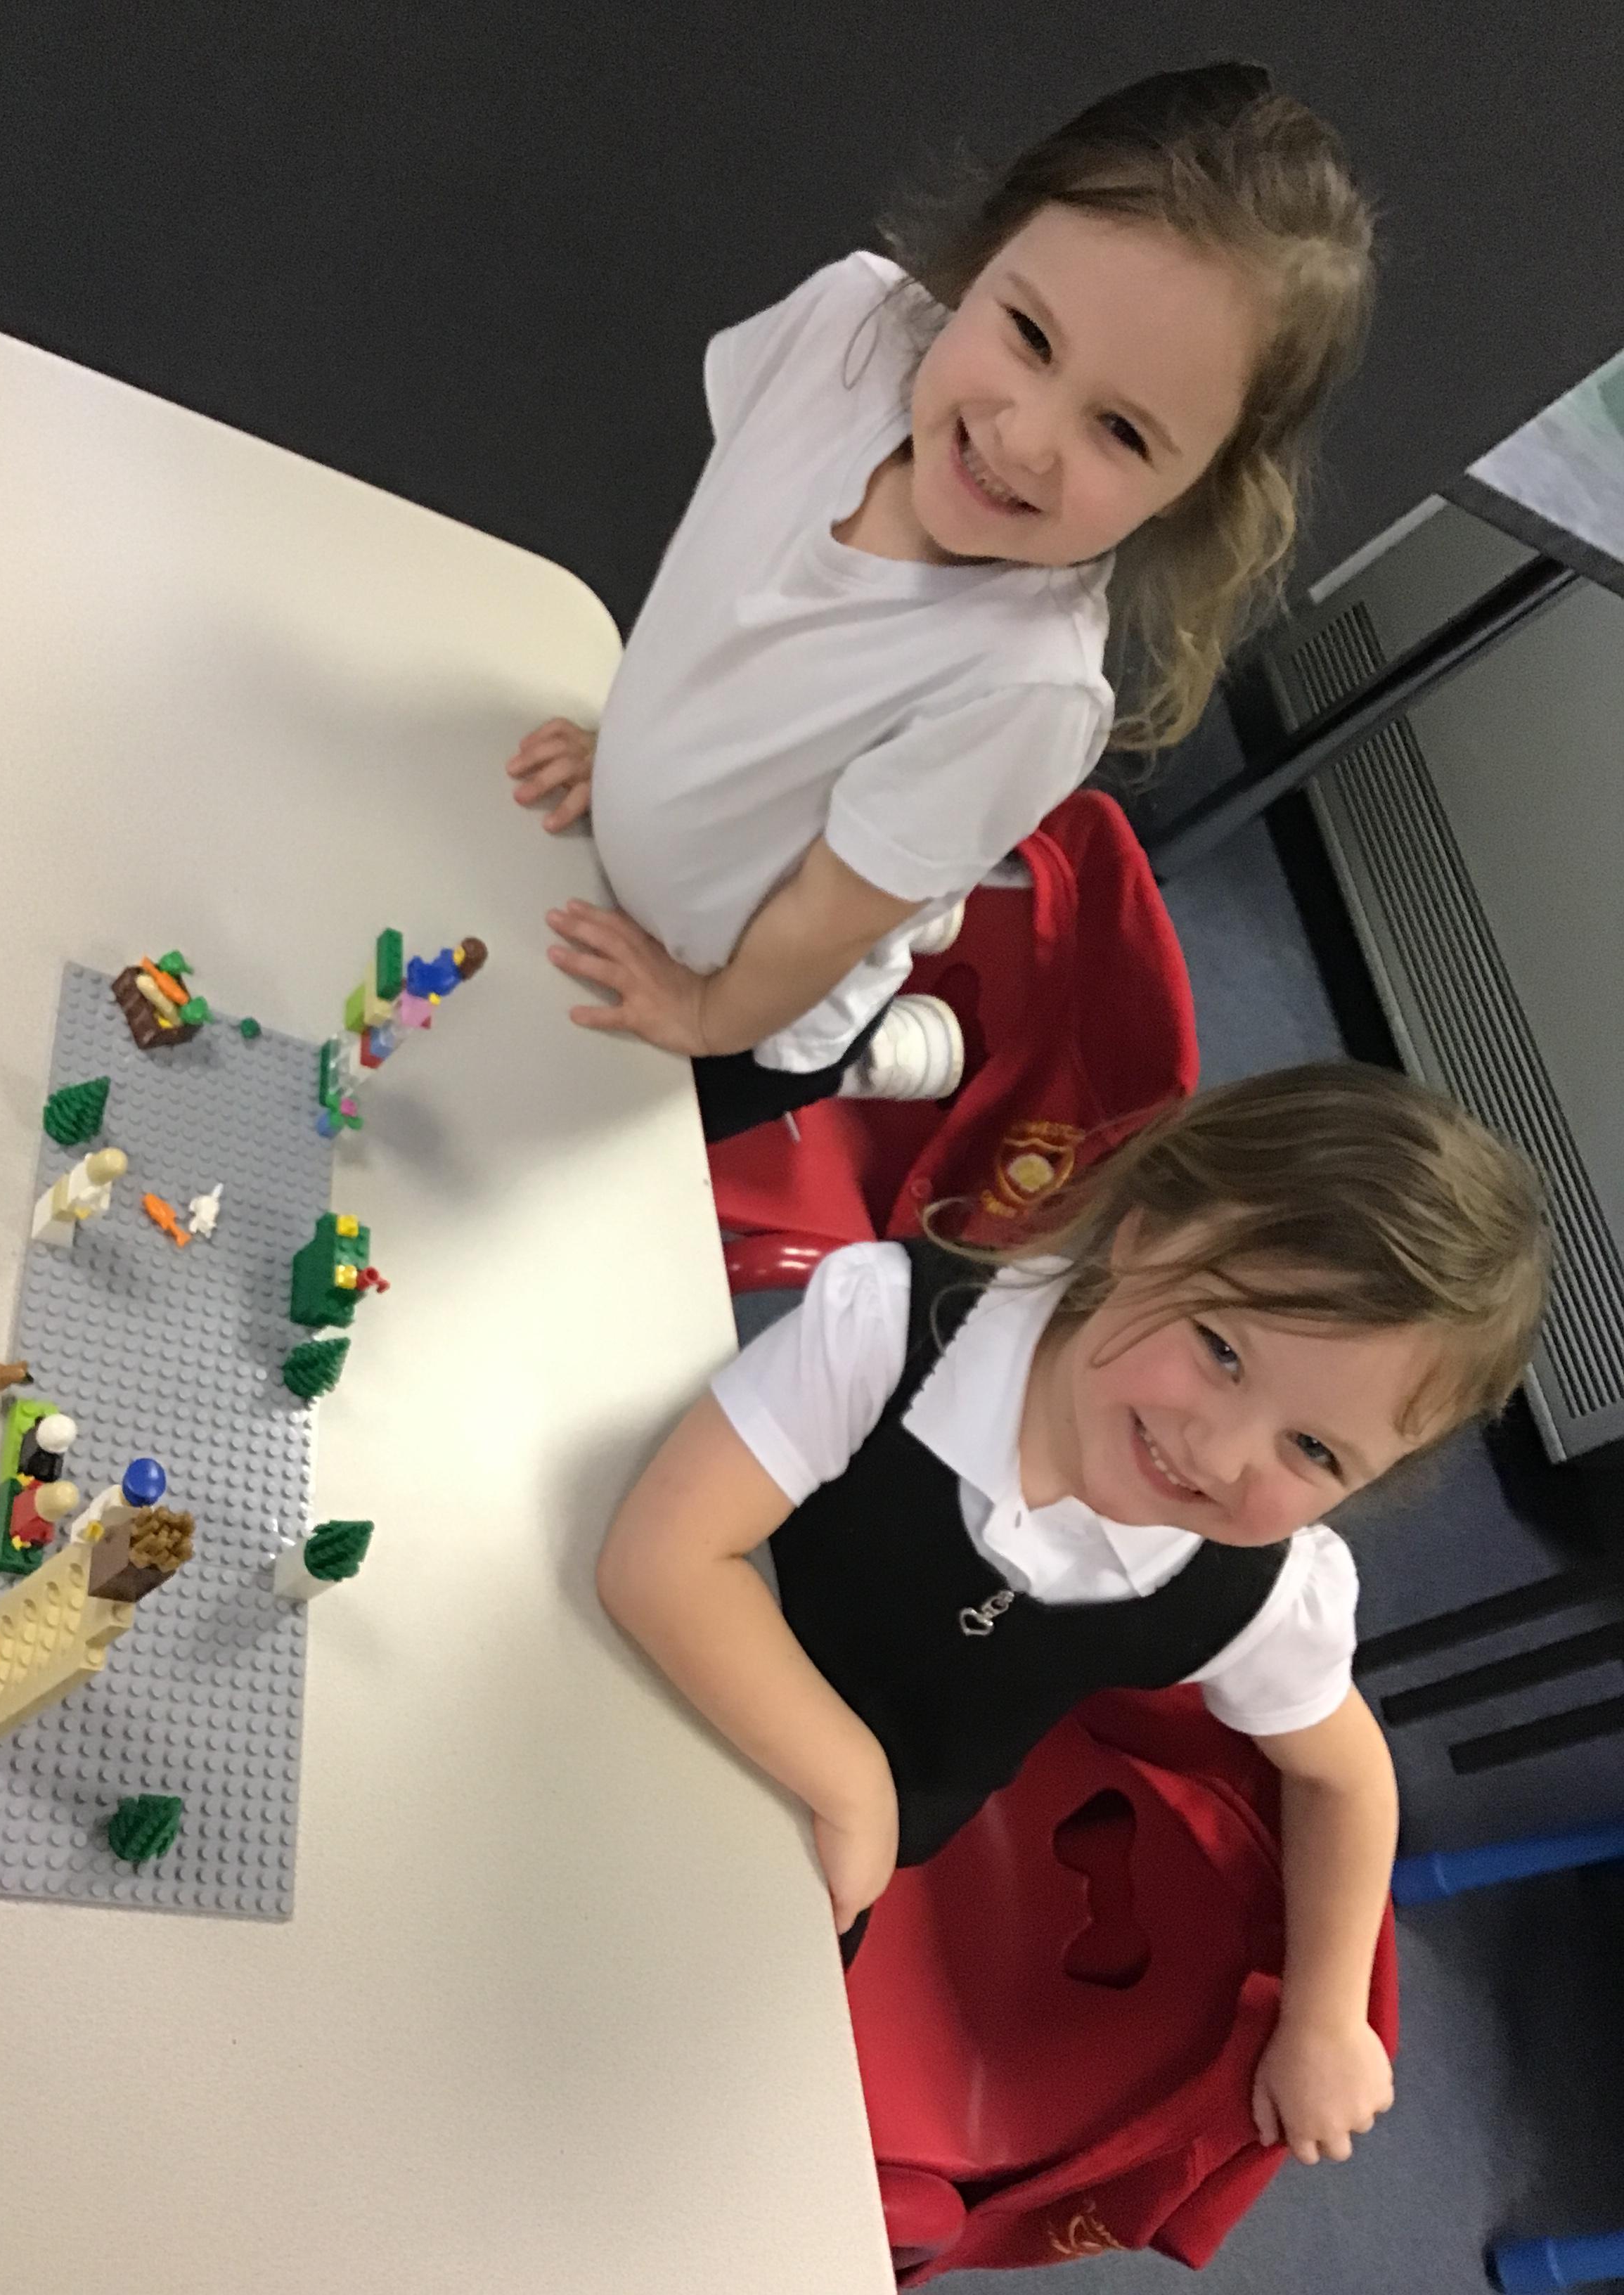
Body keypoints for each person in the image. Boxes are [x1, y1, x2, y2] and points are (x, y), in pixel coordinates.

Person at [595, 1065, 1550, 2165]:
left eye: (1314, 1450)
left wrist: (1326, 2019)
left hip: (794, 1871)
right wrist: (852, 1784)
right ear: (1142, 1232)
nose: (1222, 1455)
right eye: (1222, 1350)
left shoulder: (1258, 1590)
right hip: (641, 1689)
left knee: (641, 2119)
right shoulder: (898, 1331)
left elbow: (1346, 1775)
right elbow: (661, 1560)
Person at [506, 64, 1377, 1140]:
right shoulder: (845, 326)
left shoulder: (1026, 687)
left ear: (1193, 490)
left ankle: (889, 1040)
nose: (1025, 438)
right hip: (619, 868)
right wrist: (638, 760)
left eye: (1121, 432)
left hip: (737, 1011)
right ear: (986, 256)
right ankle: (924, 928)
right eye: (1032, 337)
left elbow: (828, 916)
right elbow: (731, 579)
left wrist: (706, 1015)